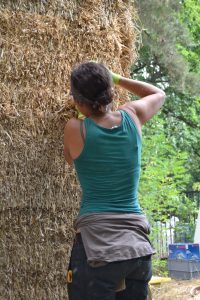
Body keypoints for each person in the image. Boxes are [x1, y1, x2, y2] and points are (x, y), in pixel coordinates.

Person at [64, 61, 165, 300]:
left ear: (78, 100)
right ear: (111, 92)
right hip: (137, 250)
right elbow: (158, 93)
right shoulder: (132, 116)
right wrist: (117, 78)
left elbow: (69, 158)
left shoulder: (75, 128)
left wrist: (83, 116)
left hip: (97, 249)